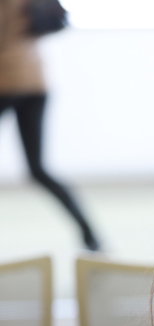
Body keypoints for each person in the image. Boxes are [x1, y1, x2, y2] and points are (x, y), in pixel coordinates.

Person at [0, 0, 101, 251]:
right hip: (35, 80)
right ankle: (90, 235)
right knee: (39, 169)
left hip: (7, 81)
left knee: (38, 169)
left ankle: (90, 235)